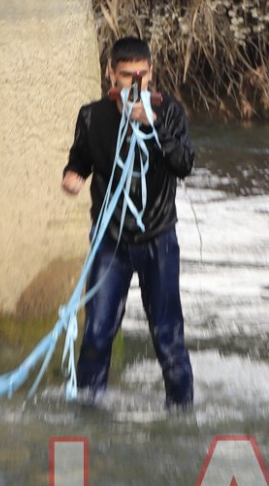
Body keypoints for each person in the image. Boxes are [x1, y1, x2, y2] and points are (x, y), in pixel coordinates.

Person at [64, 35, 196, 407]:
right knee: (97, 332)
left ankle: (182, 415)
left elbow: (184, 163)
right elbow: (80, 158)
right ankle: (88, 416)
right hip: (110, 240)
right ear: (111, 74)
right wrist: (73, 175)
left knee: (168, 335)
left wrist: (153, 124)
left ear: (151, 72)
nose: (135, 84)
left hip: (158, 238)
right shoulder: (92, 114)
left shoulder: (169, 111)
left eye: (142, 75)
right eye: (126, 76)